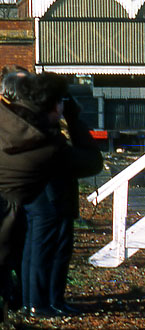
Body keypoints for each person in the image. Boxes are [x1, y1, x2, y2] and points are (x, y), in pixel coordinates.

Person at [0, 70, 102, 316]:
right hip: (24, 206)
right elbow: (92, 162)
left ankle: (32, 301)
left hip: (9, 211)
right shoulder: (44, 144)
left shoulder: (8, 123)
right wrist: (75, 120)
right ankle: (37, 302)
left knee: (36, 247)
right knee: (43, 246)